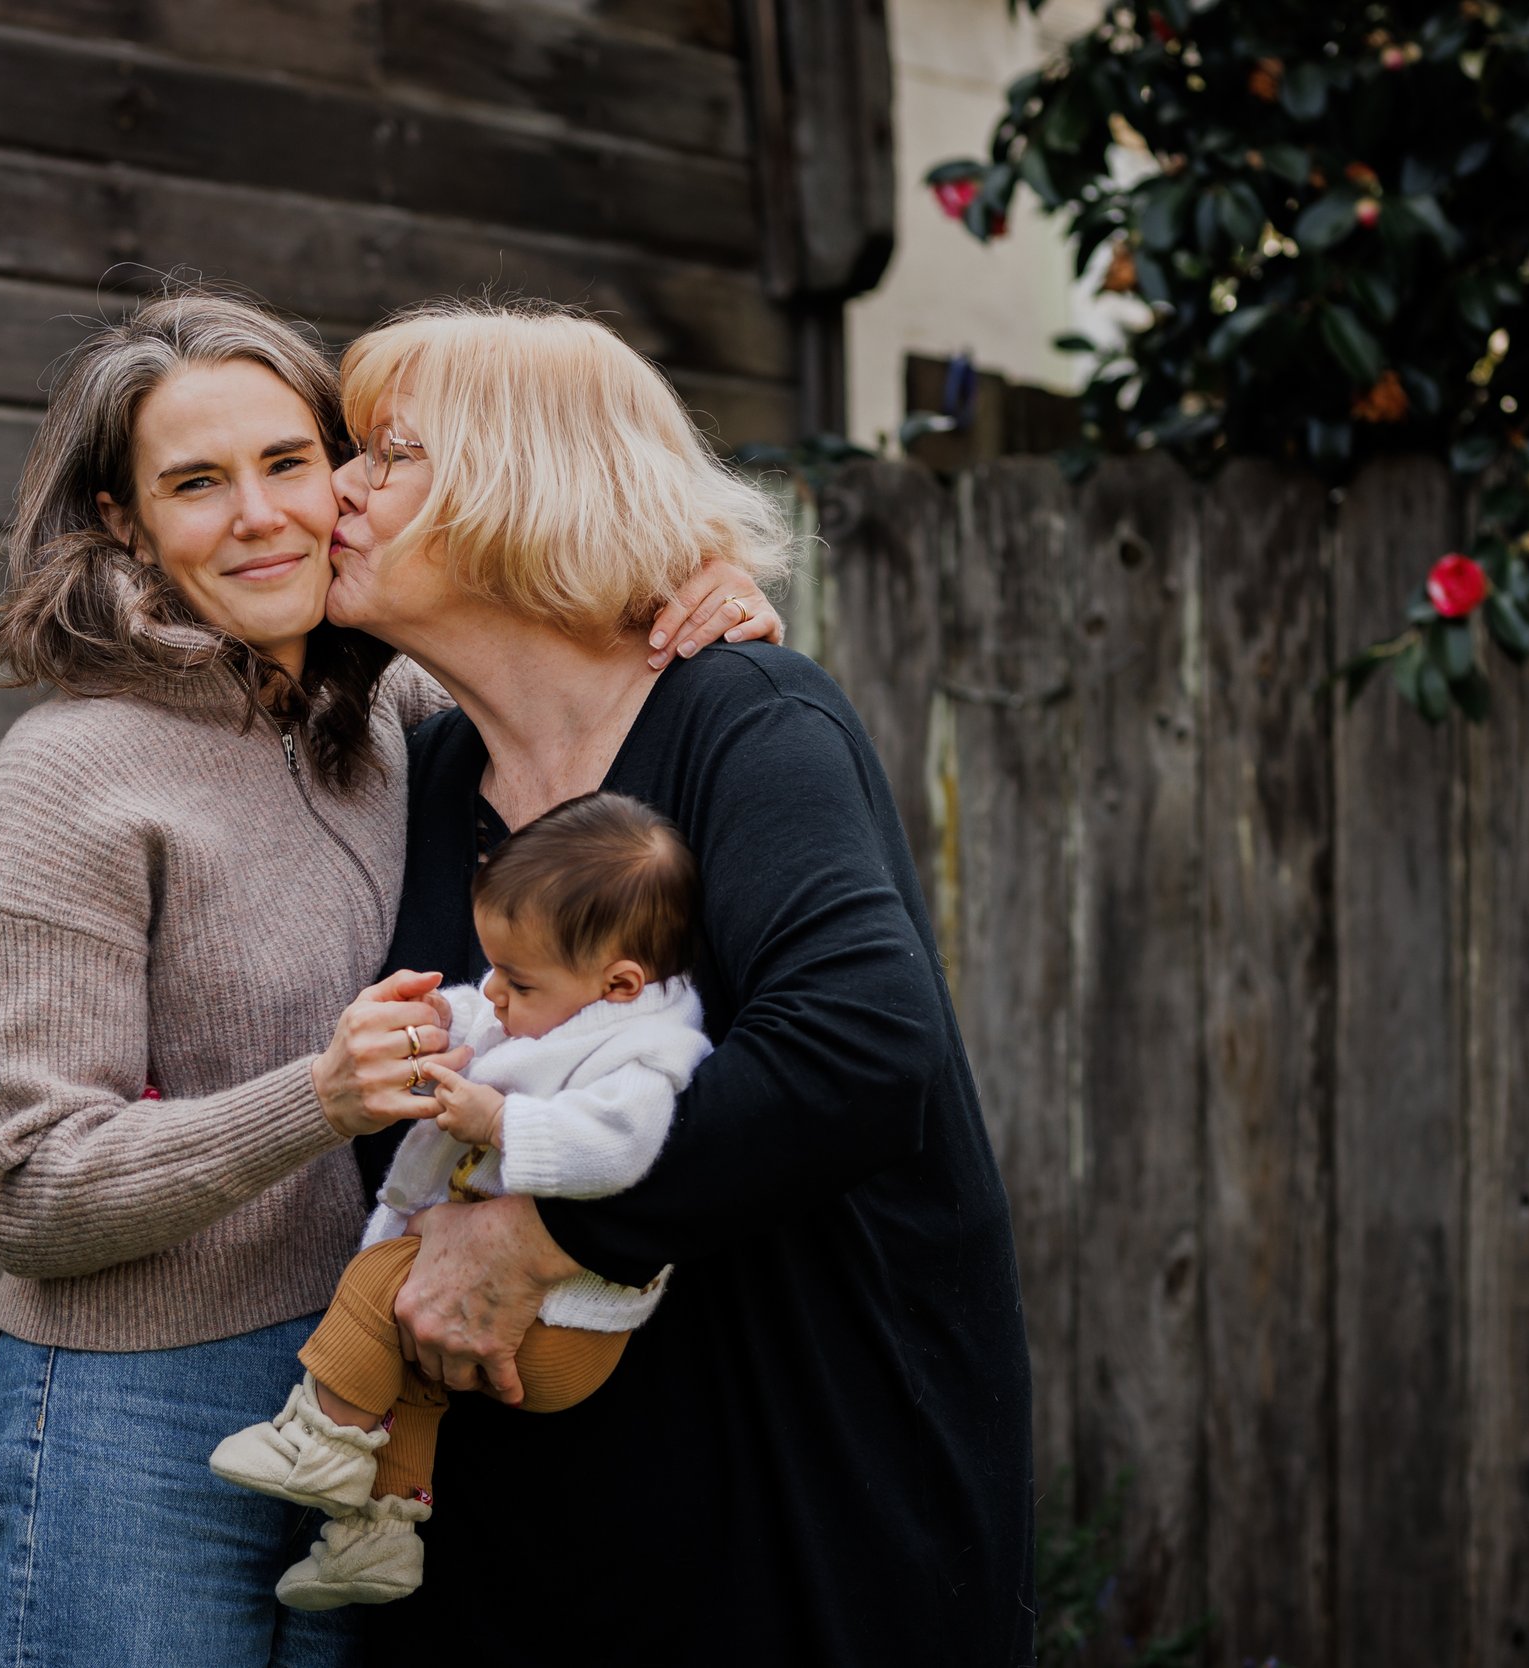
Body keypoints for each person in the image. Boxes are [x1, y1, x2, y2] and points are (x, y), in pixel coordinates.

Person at [0, 286, 779, 1668]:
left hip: (383, 1393)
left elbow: (573, 701)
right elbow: (27, 1186)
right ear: (125, 524)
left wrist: (685, 597)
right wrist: (310, 1098)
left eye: (290, 463)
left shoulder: (401, 713)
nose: (259, 515)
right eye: (196, 483)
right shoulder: (66, 781)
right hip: (138, 1416)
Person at [316, 300, 1038, 1667]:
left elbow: (861, 1050)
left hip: (791, 1492)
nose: (337, 489)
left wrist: (548, 1239)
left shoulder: (747, 722)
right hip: (537, 1531)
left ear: (520, 486)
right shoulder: (425, 772)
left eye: (387, 456)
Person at [210, 791, 712, 1609]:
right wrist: (448, 1015)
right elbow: (498, 1018)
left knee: (382, 1285)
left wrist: (501, 1121)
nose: (498, 995)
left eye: (515, 978)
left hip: (566, 1330)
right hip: (529, 1312)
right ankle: (381, 1534)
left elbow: (620, 1149)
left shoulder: (651, 1055)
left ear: (620, 983)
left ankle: (322, 1439)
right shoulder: (569, 1001)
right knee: (415, 1381)